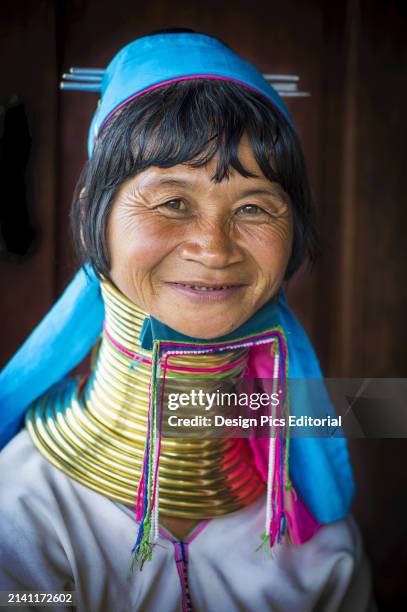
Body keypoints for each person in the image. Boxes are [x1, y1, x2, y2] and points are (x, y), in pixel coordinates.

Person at [0, 29, 375, 611]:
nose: (214, 248)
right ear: (90, 216)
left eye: (253, 207)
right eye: (173, 202)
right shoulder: (20, 516)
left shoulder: (319, 544)